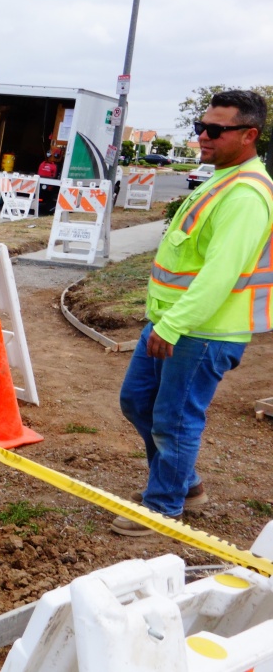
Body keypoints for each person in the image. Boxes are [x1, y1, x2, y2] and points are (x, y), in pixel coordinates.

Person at [112, 90, 273, 537]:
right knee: (137, 402)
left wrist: (175, 324)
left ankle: (163, 508)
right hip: (175, 323)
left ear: (249, 135)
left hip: (202, 331)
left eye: (215, 130)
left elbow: (220, 274)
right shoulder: (222, 179)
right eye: (200, 127)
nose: (203, 136)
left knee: (175, 418)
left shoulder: (245, 194)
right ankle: (185, 484)